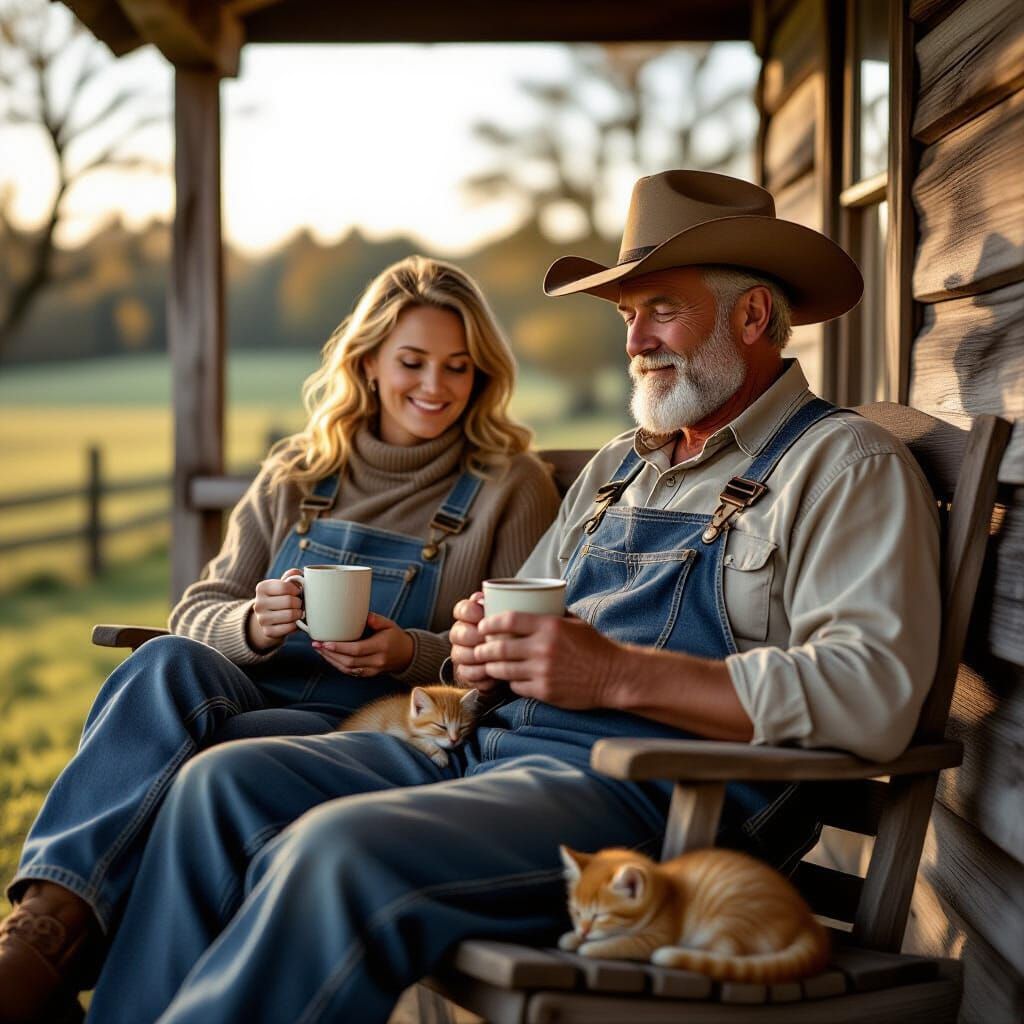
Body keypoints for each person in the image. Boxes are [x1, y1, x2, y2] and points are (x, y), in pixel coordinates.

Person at [76, 170, 938, 1024]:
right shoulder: (618, 468)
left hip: (653, 811)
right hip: (491, 752)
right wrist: (474, 643)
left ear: (752, 316)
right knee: (219, 785)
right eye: (627, 316)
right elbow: (512, 635)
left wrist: (615, 676)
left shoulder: (842, 465)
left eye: (661, 309)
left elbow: (871, 697)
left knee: (339, 854)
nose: (635, 341)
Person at [0, 256, 561, 1024]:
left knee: (217, 755)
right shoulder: (300, 471)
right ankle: (39, 941)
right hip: (248, 688)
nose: (435, 386)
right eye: (413, 362)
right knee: (167, 661)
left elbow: (508, 653)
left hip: (369, 727)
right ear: (366, 362)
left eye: (458, 368)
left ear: (482, 375)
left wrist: (409, 655)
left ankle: (70, 970)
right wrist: (247, 626)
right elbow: (198, 609)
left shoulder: (508, 485)